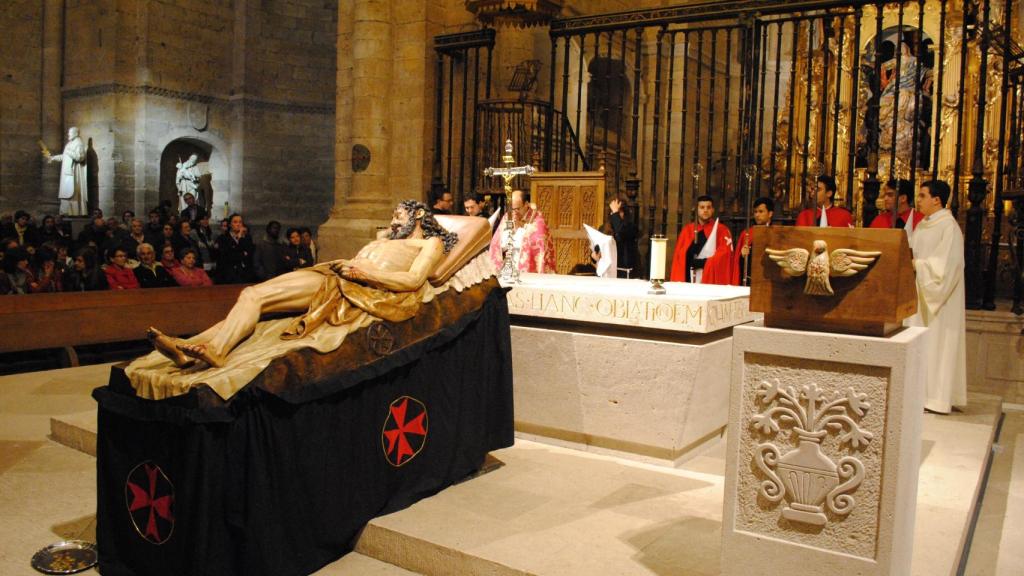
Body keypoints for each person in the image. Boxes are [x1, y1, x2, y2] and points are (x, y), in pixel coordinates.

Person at [146, 200, 456, 368]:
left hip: (355, 288)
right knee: (256, 300)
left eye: (398, 214)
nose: (392, 221)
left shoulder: (429, 244)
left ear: (418, 214)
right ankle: (191, 349)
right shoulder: (387, 237)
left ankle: (214, 349)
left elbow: (414, 279)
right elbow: (378, 244)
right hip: (336, 276)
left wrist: (364, 274)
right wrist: (366, 255)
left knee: (255, 295)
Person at [907, 180, 966, 414]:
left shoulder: (948, 227)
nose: (918, 200)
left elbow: (948, 267)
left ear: (937, 200)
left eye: (922, 196)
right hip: (920, 292)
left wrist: (918, 266)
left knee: (938, 345)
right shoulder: (924, 225)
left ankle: (936, 398)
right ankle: (918, 394)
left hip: (939, 301)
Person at [488, 189, 557, 274]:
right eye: (511, 209)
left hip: (529, 268)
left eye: (517, 209)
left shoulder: (537, 219)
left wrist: (519, 229)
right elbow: (497, 244)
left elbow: (538, 244)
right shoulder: (507, 216)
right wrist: (511, 231)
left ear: (526, 204)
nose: (514, 212)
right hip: (508, 266)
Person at [670, 195, 734, 284]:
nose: (705, 210)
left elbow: (724, 255)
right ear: (697, 210)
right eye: (702, 207)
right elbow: (679, 257)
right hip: (690, 279)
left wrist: (704, 263)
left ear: (713, 210)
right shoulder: (687, 230)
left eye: (708, 207)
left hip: (710, 280)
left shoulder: (721, 230)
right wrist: (689, 256)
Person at [45, 127, 88, 216]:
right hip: (67, 174)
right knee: (66, 194)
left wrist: (69, 152)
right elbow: (64, 156)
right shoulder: (69, 144)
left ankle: (75, 213)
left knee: (73, 194)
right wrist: (53, 158)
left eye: (70, 133)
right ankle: (66, 212)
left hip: (74, 174)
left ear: (76, 133)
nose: (68, 135)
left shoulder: (79, 143)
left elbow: (80, 157)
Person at [733, 197, 775, 286]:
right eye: (755, 212)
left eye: (761, 211)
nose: (757, 215)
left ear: (770, 213)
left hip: (770, 281)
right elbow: (738, 264)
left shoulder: (777, 233)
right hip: (750, 281)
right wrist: (743, 256)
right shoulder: (747, 233)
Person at [214, 213, 255, 284]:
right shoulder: (223, 238)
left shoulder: (247, 237)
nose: (238, 224)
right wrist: (242, 253)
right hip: (229, 275)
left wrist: (240, 239)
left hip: (244, 274)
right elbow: (228, 256)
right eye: (235, 222)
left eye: (240, 222)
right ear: (230, 224)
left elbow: (249, 254)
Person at [607, 193, 638, 278]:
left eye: (618, 212)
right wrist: (594, 256)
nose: (613, 214)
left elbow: (621, 232)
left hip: (623, 271)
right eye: (612, 211)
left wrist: (615, 213)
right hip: (608, 271)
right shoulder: (605, 227)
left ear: (624, 213)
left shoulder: (630, 227)